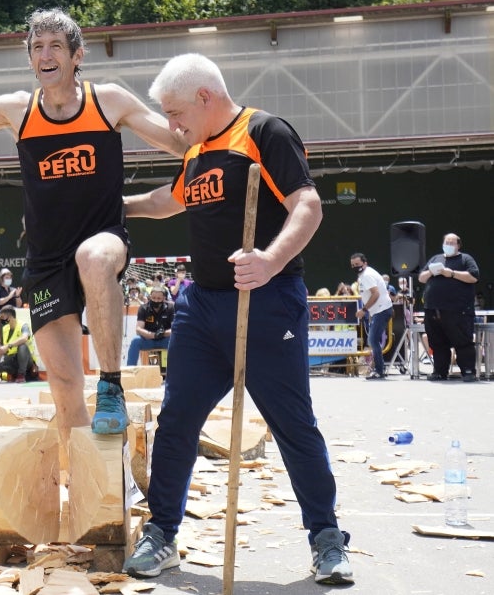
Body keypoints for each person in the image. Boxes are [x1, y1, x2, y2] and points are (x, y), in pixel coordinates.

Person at [0, 8, 186, 436]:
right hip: (47, 259)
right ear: (29, 59)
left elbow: (176, 141)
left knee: (94, 257)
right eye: (37, 47)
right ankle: (82, 486)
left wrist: (227, 139)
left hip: (103, 240)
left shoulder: (108, 101)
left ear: (77, 55)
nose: (46, 54)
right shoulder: (20, 111)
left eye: (56, 46)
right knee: (63, 386)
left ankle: (112, 385)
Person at [121, 53, 353, 585]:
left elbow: (308, 205)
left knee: (293, 424)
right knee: (177, 421)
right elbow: (169, 200)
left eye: (176, 112)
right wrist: (120, 206)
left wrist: (269, 261)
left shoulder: (265, 132)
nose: (172, 126)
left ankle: (326, 538)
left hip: (268, 302)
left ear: (205, 96)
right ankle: (162, 534)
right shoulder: (198, 150)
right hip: (202, 308)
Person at [417, 232, 480, 382]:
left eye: (452, 243)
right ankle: (440, 371)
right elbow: (421, 278)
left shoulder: (465, 259)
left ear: (458, 245)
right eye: (447, 242)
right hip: (433, 309)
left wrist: (450, 273)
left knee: (462, 341)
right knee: (437, 342)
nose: (449, 245)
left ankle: (468, 371)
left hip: (458, 310)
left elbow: (473, 277)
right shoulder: (435, 259)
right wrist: (430, 272)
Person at [350, 253, 394, 380]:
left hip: (382, 310)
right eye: (352, 265)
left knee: (373, 340)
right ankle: (379, 369)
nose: (355, 267)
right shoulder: (364, 275)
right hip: (379, 311)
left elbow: (375, 294)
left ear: (365, 263)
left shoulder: (367, 275)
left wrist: (364, 310)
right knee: (373, 340)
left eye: (357, 264)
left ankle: (379, 370)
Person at [125, 284, 174, 367]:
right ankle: (130, 370)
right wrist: (152, 335)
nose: (156, 300)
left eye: (159, 298)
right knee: (135, 341)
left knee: (177, 340)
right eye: (154, 298)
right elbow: (138, 329)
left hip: (165, 339)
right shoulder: (143, 308)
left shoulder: (170, 307)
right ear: (150, 297)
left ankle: (176, 371)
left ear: (164, 298)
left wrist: (163, 333)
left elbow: (174, 329)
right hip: (149, 340)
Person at [0, 305, 35, 382]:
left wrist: (8, 346)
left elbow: (25, 338)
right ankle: (15, 373)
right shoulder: (5, 328)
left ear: (10, 317)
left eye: (2, 317)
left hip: (26, 358)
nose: (1, 319)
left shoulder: (23, 325)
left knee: (22, 346)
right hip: (12, 358)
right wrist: (1, 349)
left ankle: (21, 374)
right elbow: (3, 346)